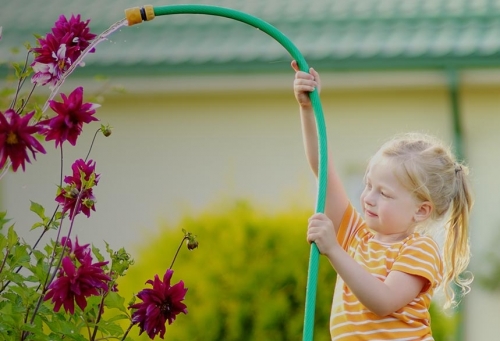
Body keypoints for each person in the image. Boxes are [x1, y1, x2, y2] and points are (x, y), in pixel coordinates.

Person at [291, 60, 474, 340]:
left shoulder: (420, 249)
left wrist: (334, 250)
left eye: (385, 193)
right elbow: (322, 167)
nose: (368, 199)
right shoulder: (357, 236)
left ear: (421, 210)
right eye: (368, 185)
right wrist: (307, 109)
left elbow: (383, 301)